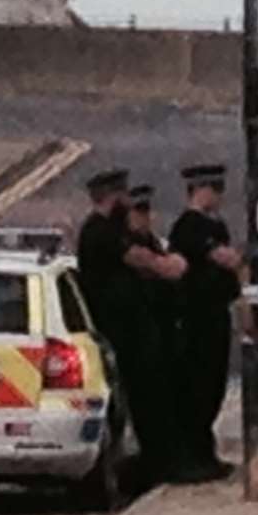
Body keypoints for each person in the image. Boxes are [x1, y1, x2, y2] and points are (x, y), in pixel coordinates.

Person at [76, 168, 189, 485]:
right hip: (118, 333)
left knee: (150, 397)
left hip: (133, 329)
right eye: (125, 195)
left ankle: (156, 461)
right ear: (114, 197)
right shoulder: (100, 231)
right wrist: (170, 265)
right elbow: (144, 260)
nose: (129, 201)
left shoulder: (113, 229)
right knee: (138, 400)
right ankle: (145, 466)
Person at [169, 163, 243, 482]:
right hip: (195, 318)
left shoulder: (217, 225)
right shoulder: (189, 227)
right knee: (196, 387)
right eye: (215, 189)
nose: (220, 196)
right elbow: (224, 259)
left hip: (216, 315)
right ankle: (191, 456)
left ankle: (205, 453)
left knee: (213, 386)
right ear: (199, 190)